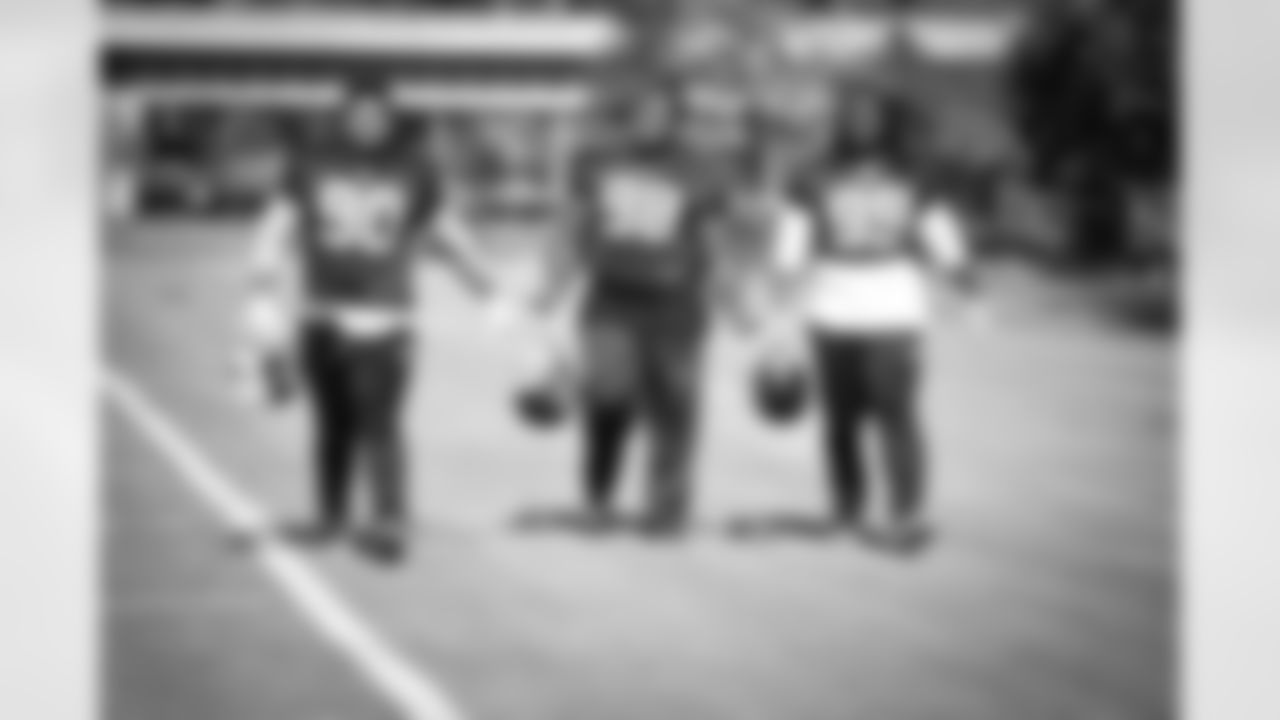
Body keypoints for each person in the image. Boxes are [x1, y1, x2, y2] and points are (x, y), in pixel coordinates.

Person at [241, 75, 497, 564]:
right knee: (333, 423)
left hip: (387, 316)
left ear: (389, 115)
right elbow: (276, 226)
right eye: (359, 111)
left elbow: (445, 232)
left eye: (377, 112)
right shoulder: (311, 161)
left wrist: (486, 289)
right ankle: (331, 515)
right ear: (345, 113)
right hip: (323, 312)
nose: (368, 121)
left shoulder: (413, 166)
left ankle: (389, 519)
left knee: (382, 422)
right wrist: (260, 290)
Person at [526, 78, 753, 536]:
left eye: (661, 113)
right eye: (642, 111)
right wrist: (552, 284)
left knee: (675, 406)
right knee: (607, 395)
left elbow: (714, 241)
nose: (650, 121)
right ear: (630, 116)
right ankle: (599, 497)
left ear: (676, 119)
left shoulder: (700, 169)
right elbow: (573, 225)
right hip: (612, 299)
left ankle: (666, 509)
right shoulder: (598, 161)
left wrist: (733, 297)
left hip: (677, 304)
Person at [768, 83, 977, 553]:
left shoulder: (914, 174)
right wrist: (780, 305)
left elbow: (940, 231)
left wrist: (967, 286)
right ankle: (847, 506)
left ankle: (907, 513)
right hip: (832, 310)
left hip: (894, 310)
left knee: (897, 412)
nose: (861, 124)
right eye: (853, 115)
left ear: (887, 122)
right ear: (841, 123)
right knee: (841, 418)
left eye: (871, 116)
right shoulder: (813, 174)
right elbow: (791, 240)